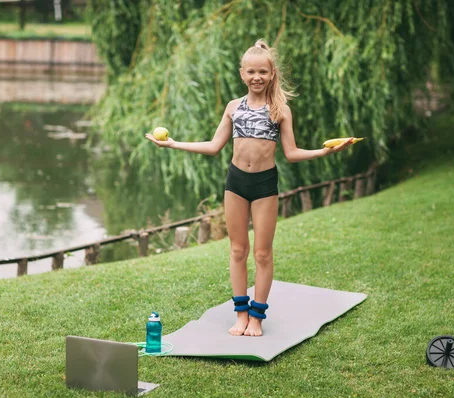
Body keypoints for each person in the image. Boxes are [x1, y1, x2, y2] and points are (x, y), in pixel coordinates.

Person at [146, 39, 353, 337]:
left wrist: (323, 152)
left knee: (263, 254)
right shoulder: (233, 108)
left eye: (263, 72)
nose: (257, 77)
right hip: (236, 183)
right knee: (237, 250)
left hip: (265, 185)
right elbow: (215, 146)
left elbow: (292, 153)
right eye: (251, 72)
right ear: (242, 74)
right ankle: (240, 315)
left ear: (272, 75)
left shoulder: (280, 110)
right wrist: (173, 143)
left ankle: (257, 317)